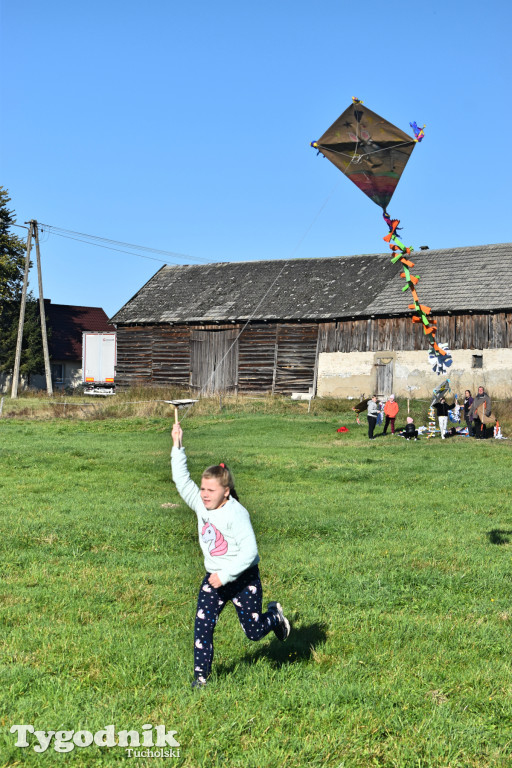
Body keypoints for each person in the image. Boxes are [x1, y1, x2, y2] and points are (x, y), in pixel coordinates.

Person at [171, 421, 290, 688]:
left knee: (254, 632)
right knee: (203, 627)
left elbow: (250, 552)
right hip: (214, 580)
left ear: (225, 491)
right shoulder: (201, 505)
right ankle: (201, 678)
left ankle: (275, 617)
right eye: (202, 489)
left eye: (210, 490)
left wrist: (225, 575)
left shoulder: (236, 513)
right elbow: (181, 480)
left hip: (242, 579)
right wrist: (177, 445)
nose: (203, 495)